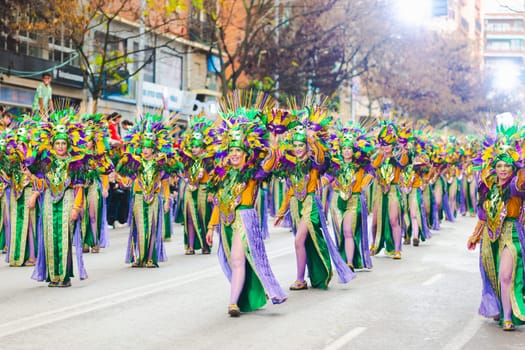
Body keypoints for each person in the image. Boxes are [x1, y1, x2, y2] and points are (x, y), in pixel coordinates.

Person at [205, 101, 286, 317]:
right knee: (235, 260)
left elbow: (269, 165)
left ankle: (233, 303)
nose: (234, 154)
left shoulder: (251, 174)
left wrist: (274, 143)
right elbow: (219, 202)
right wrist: (212, 227)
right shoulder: (222, 174)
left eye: (238, 150)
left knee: (238, 258)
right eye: (231, 150)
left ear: (245, 152)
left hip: (244, 218)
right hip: (226, 221)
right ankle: (244, 294)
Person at [275, 106, 355, 290]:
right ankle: (304, 277)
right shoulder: (290, 165)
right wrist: (282, 211)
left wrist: (311, 137)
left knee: (298, 240)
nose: (297, 149)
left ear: (307, 146)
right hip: (296, 205)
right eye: (294, 145)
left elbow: (320, 157)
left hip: (310, 205)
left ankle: (300, 278)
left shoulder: (313, 164)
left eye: (300, 145)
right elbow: (290, 191)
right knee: (303, 241)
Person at [467, 120, 525, 331]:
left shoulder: (516, 186)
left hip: (511, 234)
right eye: (499, 165)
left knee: (506, 275)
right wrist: (475, 235)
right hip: (490, 236)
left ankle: (508, 317)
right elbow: (483, 215)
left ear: (513, 167)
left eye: (507, 165)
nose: (502, 169)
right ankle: (500, 308)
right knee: (494, 275)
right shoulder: (487, 187)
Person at [32, 110, 88, 287]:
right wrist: (34, 195)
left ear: (68, 144)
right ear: (52, 144)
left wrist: (76, 208)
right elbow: (42, 183)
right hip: (48, 201)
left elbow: (79, 188)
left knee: (64, 237)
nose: (61, 146)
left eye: (64, 143)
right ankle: (53, 276)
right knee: (49, 237)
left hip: (68, 200)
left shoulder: (76, 161)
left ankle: (64, 276)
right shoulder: (46, 161)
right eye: (57, 143)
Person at [116, 113, 170, 268]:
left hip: (155, 196)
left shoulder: (161, 162)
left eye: (148, 147)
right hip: (139, 196)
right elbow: (127, 178)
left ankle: (151, 258)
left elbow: (165, 183)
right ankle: (139, 257)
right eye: (143, 147)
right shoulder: (136, 161)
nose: (145, 150)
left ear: (154, 148)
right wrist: (121, 177)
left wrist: (166, 199)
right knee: (140, 226)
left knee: (152, 226)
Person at [326, 122, 374, 271]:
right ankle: (344, 258)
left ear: (354, 150)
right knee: (341, 232)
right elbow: (327, 177)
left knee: (348, 230)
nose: (347, 151)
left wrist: (363, 184)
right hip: (337, 201)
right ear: (340, 149)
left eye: (349, 148)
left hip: (354, 201)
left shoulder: (361, 165)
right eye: (344, 148)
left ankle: (349, 262)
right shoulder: (335, 165)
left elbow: (372, 173)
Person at [370, 121, 408, 259]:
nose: (385, 147)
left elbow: (404, 163)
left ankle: (397, 249)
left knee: (393, 220)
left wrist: (403, 151)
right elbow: (373, 166)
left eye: (388, 145)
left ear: (393, 145)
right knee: (374, 222)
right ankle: (373, 245)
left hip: (393, 191)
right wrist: (380, 153)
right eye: (383, 144)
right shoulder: (377, 157)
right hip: (379, 192)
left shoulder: (397, 157)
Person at [178, 116, 214, 255]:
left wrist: (211, 192)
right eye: (192, 146)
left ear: (203, 146)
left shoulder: (208, 159)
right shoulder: (188, 158)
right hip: (190, 188)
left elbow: (212, 175)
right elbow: (185, 172)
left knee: (203, 217)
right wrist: (186, 177)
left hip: (204, 189)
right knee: (189, 217)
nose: (194, 149)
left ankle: (205, 244)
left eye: (197, 146)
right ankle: (190, 245)